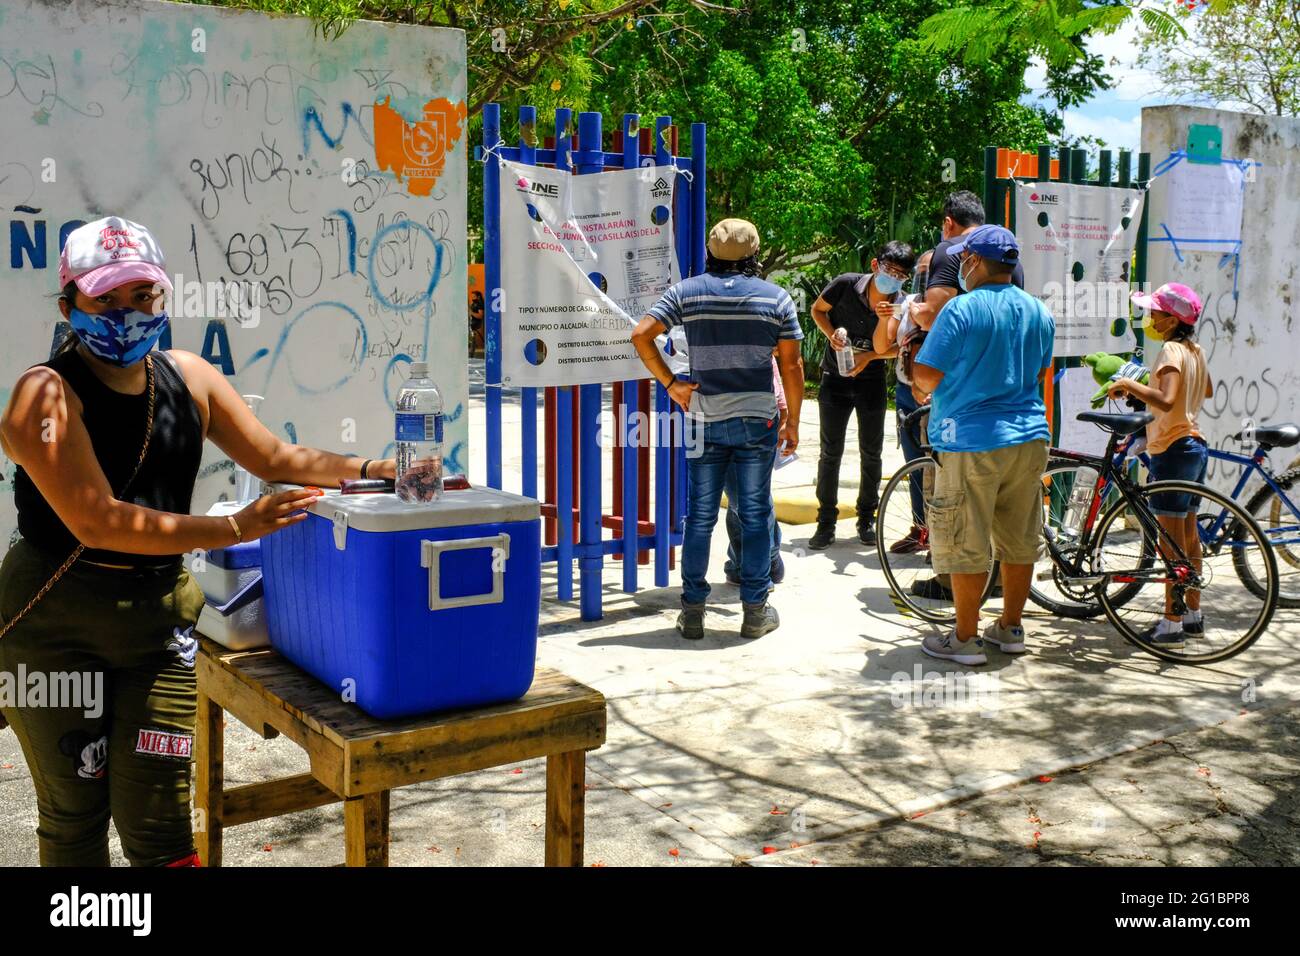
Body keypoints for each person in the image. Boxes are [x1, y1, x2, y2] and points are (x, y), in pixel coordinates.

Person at [0, 216, 396, 866]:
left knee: (160, 822)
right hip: (54, 634)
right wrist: (236, 527)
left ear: (162, 297)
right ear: (69, 304)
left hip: (159, 632)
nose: (125, 314)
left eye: (141, 296)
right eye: (105, 299)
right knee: (74, 820)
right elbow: (98, 521)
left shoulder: (189, 378)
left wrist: (374, 470)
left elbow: (276, 456)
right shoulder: (42, 395)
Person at [631, 218, 804, 640]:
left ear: (711, 251)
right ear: (755, 255)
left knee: (701, 517)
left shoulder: (686, 292)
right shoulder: (776, 298)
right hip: (756, 419)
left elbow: (640, 335)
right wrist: (793, 420)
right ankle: (754, 610)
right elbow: (792, 364)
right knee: (756, 513)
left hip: (704, 418)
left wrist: (672, 383)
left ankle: (692, 611)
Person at [910, 225, 1054, 665]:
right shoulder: (1038, 311)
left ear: (972, 261)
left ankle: (965, 638)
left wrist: (918, 370)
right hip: (1029, 437)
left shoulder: (960, 310)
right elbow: (1039, 372)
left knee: (964, 539)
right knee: (1019, 537)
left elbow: (926, 376)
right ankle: (1010, 628)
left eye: (965, 260)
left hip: (970, 440)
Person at [1107, 282, 1212, 648]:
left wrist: (1129, 385)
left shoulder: (1170, 349)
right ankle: (1193, 614)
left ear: (1171, 319)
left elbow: (1166, 400)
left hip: (1172, 448)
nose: (1150, 318)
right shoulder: (1194, 350)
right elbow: (1206, 390)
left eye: (1155, 312)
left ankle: (1171, 624)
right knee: (1189, 538)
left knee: (1171, 546)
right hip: (1196, 448)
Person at [807, 241, 917, 550]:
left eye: (901, 274)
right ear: (874, 264)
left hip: (871, 381)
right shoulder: (846, 283)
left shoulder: (901, 302)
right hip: (835, 378)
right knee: (830, 451)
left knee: (872, 452)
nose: (893, 278)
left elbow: (900, 346)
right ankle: (825, 521)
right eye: (889, 270)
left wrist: (868, 358)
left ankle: (866, 518)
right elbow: (818, 310)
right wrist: (832, 338)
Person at [873, 249, 932, 553]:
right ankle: (921, 529)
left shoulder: (953, 305)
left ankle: (940, 535)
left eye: (929, 271)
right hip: (907, 394)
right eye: (921, 271)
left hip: (940, 399)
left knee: (941, 467)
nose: (925, 277)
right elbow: (884, 344)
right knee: (914, 465)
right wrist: (885, 320)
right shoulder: (906, 304)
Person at [724, 357, 788, 586]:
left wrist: (784, 408)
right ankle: (753, 561)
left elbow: (781, 357)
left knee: (746, 498)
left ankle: (760, 564)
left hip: (758, 412)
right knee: (741, 497)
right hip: (722, 411)